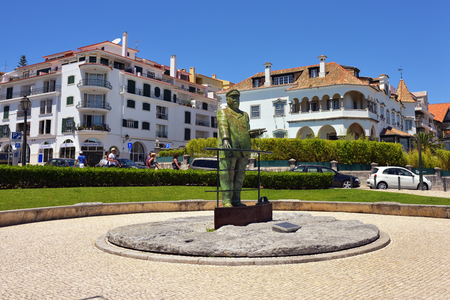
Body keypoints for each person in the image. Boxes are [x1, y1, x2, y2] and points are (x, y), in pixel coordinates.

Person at [217, 89, 251, 207]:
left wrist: (253, 134)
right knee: (227, 176)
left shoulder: (244, 115)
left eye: (238, 98)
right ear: (227, 100)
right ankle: (227, 201)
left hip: (243, 150)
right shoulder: (223, 112)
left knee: (239, 177)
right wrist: (225, 139)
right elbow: (223, 126)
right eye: (233, 98)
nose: (236, 100)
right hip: (228, 149)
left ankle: (236, 200)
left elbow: (246, 131)